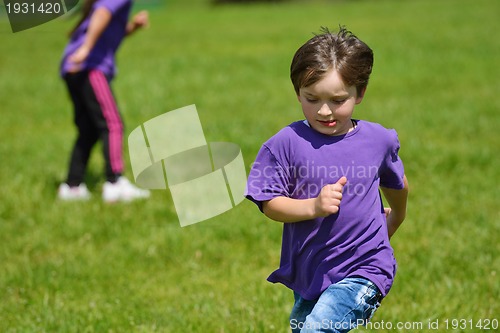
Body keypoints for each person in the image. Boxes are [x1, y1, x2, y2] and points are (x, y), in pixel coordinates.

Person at [245, 27, 409, 333]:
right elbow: (269, 203)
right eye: (312, 98)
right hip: (312, 272)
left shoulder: (378, 140)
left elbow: (396, 183)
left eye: (337, 100)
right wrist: (313, 207)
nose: (324, 110)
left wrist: (397, 216)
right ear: (297, 93)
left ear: (359, 93)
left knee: (318, 329)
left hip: (366, 267)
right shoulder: (285, 144)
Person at [57, 0, 150, 202]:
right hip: (89, 66)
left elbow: (108, 26)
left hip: (73, 67)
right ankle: (115, 183)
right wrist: (86, 49)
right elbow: (102, 14)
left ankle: (72, 187)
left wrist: (132, 27)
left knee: (88, 130)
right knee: (112, 124)